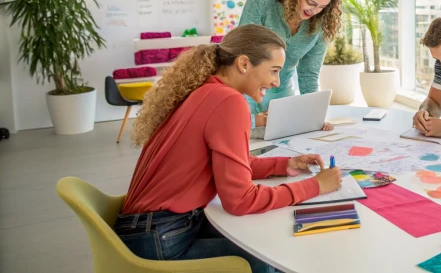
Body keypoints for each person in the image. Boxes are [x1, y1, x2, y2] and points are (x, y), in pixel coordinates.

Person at [118, 24, 343, 272]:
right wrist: (316, 186)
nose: (277, 82)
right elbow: (240, 201)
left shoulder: (204, 90)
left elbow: (230, 163)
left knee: (264, 241)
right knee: (271, 259)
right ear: (244, 64)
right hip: (160, 239)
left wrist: (284, 164)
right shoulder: (228, 101)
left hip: (149, 228)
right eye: (274, 70)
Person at [239, 0, 342, 137]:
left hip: (281, 94)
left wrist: (314, 115)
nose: (315, 11)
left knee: (286, 147)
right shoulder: (262, 2)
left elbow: (309, 74)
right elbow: (241, 52)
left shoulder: (321, 23)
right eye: (311, 2)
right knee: (240, 140)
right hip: (244, 89)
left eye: (322, 7)